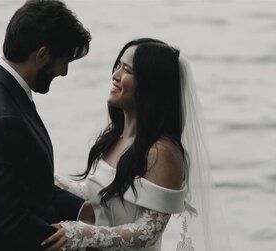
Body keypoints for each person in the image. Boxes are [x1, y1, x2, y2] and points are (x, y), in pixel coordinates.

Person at [45, 38, 230, 251]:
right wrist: (51, 179)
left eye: (127, 70)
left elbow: (148, 231)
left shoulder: (162, 152)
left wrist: (83, 233)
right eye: (117, 66)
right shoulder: (114, 137)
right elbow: (102, 193)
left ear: (151, 84)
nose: (115, 76)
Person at [0, 0, 91, 250]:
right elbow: (8, 224)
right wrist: (79, 239)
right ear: (42, 55)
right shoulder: (4, 119)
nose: (65, 72)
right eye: (64, 61)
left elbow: (26, 185)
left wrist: (82, 209)